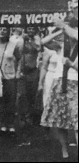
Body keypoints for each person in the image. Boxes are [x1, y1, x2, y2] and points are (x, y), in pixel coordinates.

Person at [41, 18, 78, 161]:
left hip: (75, 85)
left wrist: (71, 64)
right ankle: (64, 148)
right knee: (59, 120)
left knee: (76, 122)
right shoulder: (62, 46)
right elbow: (42, 42)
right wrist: (60, 30)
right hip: (59, 84)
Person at [0, 26, 22, 137]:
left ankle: (11, 125)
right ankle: (3, 125)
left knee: (10, 102)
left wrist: (18, 72)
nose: (2, 31)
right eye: (0, 29)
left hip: (10, 77)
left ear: (9, 32)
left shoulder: (13, 45)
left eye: (5, 29)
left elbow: (20, 58)